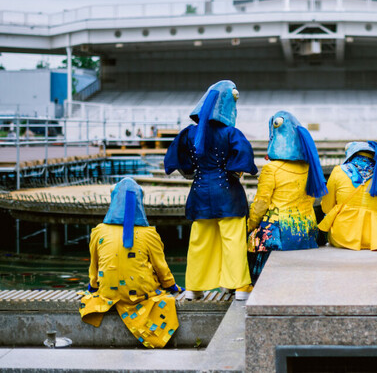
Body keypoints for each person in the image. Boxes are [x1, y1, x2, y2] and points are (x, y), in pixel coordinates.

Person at [164, 80, 257, 300]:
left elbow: (180, 163)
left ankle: (194, 288)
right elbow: (243, 161)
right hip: (228, 193)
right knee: (233, 240)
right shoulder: (231, 133)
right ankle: (240, 287)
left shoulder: (189, 133)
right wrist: (234, 173)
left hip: (199, 192)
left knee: (199, 241)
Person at [79, 177, 184, 348]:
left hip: (108, 293)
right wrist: (171, 286)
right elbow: (161, 267)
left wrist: (93, 285)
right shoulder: (149, 234)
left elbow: (95, 265)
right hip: (140, 292)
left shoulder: (99, 231)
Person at [247, 111, 327, 284]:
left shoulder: (272, 169)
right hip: (306, 229)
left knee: (253, 247)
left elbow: (261, 204)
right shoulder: (308, 166)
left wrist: (250, 225)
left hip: (278, 232)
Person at [318, 141, 377, 256]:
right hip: (375, 237)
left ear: (351, 154)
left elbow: (326, 207)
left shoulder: (338, 171)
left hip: (343, 236)